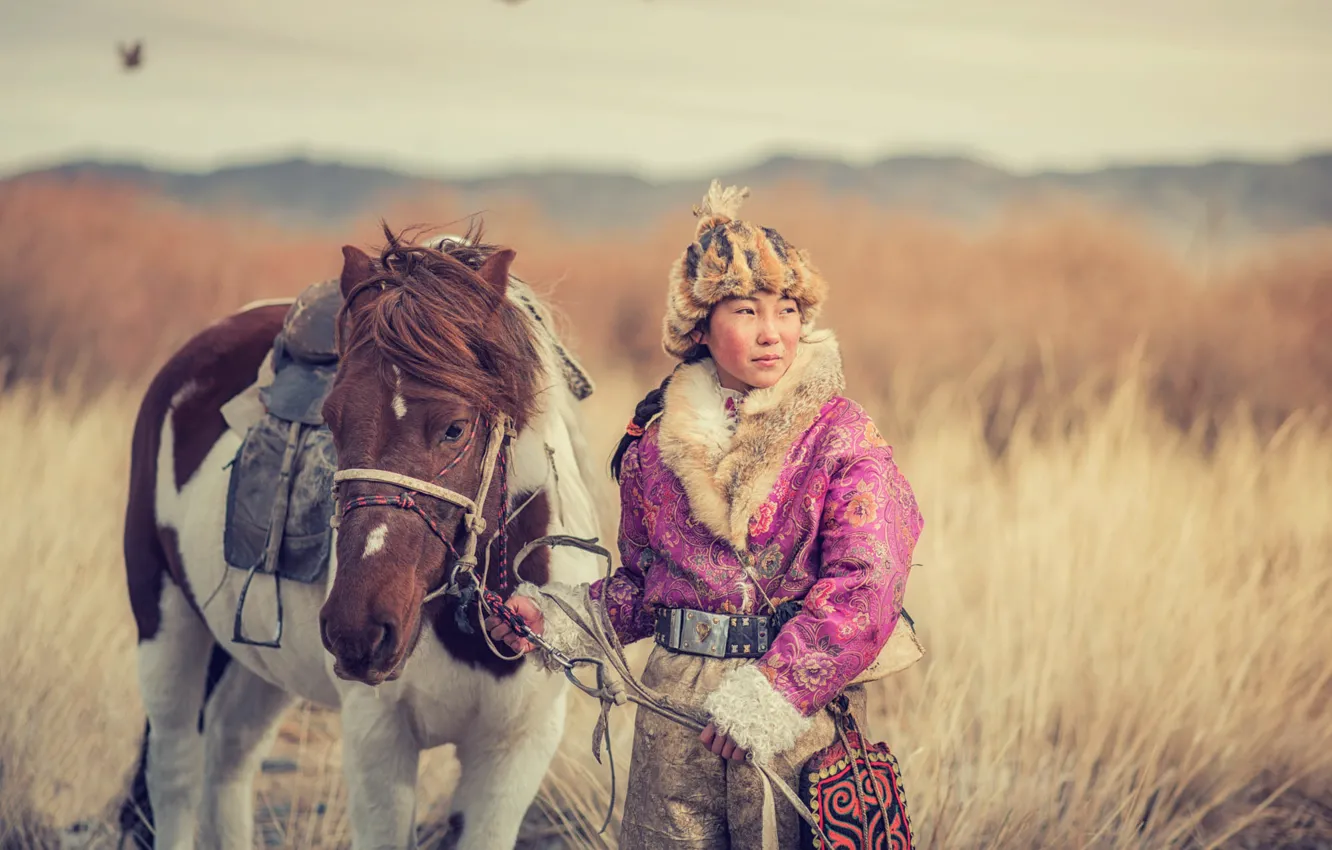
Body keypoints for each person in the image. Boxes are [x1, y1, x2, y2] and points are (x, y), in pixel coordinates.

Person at [485, 180, 924, 848]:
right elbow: (643, 588)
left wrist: (773, 695)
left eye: (787, 309)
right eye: (746, 310)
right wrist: (555, 618)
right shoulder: (653, 445)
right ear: (698, 327)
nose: (772, 332)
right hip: (671, 715)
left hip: (793, 718)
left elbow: (869, 583)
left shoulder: (842, 435)